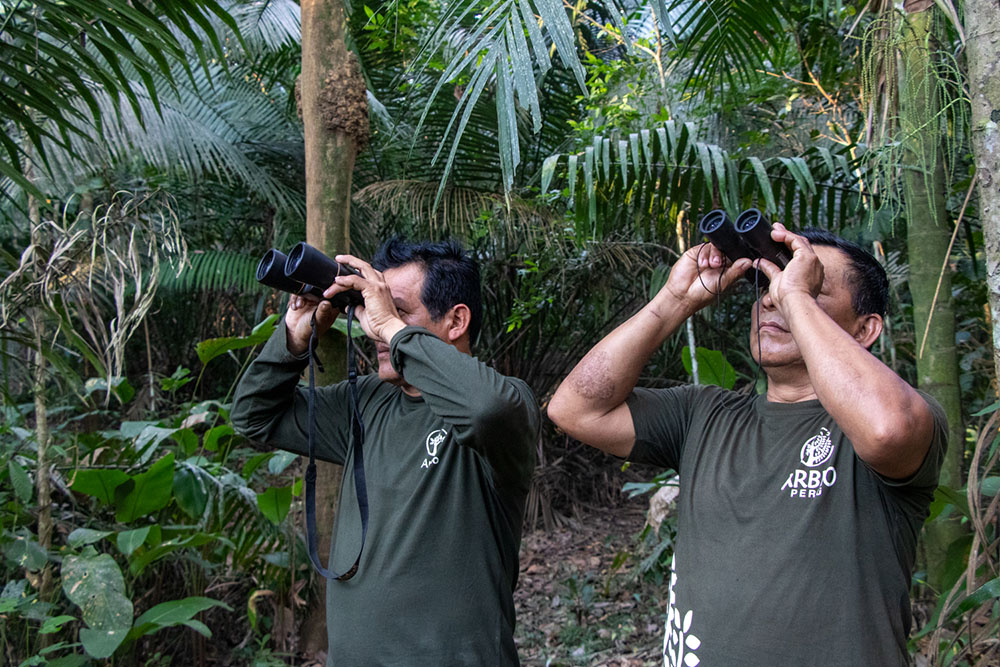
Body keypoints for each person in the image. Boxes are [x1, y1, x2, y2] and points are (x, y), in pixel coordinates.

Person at [547, 223, 947, 666]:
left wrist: (795, 298)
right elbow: (575, 409)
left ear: (864, 329)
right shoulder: (703, 414)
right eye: (769, 282)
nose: (773, 297)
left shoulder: (897, 419)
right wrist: (674, 301)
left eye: (810, 285)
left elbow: (887, 429)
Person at [232, 238, 538, 666]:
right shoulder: (370, 402)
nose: (374, 325)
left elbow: (485, 410)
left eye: (396, 309)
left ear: (456, 321)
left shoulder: (504, 406)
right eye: (370, 307)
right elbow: (253, 416)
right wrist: (294, 339)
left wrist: (392, 328)